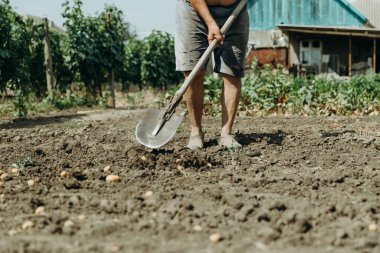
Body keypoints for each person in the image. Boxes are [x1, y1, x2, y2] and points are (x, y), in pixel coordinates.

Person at [175, 0, 249, 150]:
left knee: (232, 72)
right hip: (194, 10)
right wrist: (211, 23)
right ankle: (196, 132)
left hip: (236, 9)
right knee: (194, 71)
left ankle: (226, 133)